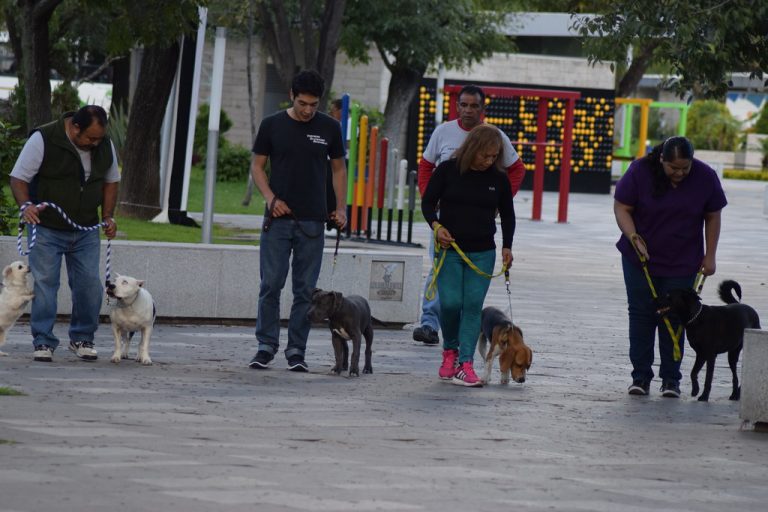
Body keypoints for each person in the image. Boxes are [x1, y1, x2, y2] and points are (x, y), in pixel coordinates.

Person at [248, 70, 347, 372]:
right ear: (291, 95)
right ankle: (265, 346)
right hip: (277, 220)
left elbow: (339, 170)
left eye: (313, 105)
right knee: (271, 285)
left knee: (305, 290)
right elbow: (257, 166)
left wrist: (341, 208)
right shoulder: (272, 125)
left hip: (314, 221)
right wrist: (270, 199)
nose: (307, 110)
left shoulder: (330, 128)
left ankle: (296, 351)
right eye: (302, 103)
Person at [614, 136, 727, 398]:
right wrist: (633, 237)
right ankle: (640, 376)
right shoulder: (641, 171)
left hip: (683, 260)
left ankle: (671, 380)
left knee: (675, 317)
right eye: (673, 168)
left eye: (684, 168)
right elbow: (622, 207)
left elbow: (713, 215)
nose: (679, 173)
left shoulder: (705, 176)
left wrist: (710, 256)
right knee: (641, 315)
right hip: (641, 260)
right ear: (662, 159)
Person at [413, 84, 525, 345]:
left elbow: (517, 169)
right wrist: (430, 200)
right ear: (457, 106)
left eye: (474, 106)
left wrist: (500, 200)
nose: (468, 110)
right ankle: (429, 322)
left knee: (470, 288)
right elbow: (426, 165)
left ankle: (464, 334)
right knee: (439, 270)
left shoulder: (495, 136)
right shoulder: (443, 132)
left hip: (479, 226)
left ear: (483, 109)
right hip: (447, 220)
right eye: (463, 105)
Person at [9, 105, 120, 362]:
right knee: (46, 284)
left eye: (99, 138)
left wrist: (108, 216)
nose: (94, 143)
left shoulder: (105, 145)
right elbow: (18, 178)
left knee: (90, 285)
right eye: (90, 138)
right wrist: (26, 206)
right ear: (75, 127)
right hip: (47, 226)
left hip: (86, 227)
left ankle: (82, 337)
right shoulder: (44, 138)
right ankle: (43, 341)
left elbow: (111, 181)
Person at [421, 124, 516, 387]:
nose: (489, 161)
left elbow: (507, 214)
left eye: (494, 156)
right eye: (485, 155)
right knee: (450, 303)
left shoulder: (498, 179)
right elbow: (427, 203)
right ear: (472, 149)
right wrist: (436, 226)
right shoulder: (447, 171)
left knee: (473, 306)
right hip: (450, 249)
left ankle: (465, 363)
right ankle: (449, 350)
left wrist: (508, 246)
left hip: (483, 251)